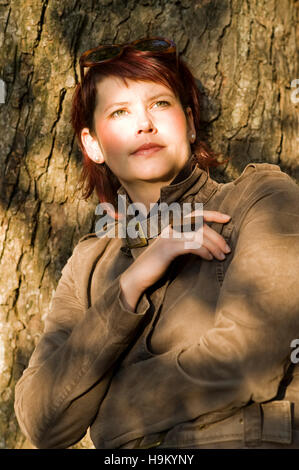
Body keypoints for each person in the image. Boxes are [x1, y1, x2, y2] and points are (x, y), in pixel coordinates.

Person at [14, 37, 299, 449]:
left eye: (160, 104)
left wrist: (105, 414)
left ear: (190, 121)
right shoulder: (89, 262)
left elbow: (246, 361)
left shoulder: (262, 198)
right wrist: (130, 285)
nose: (144, 123)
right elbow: (43, 422)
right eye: (120, 112)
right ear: (93, 144)